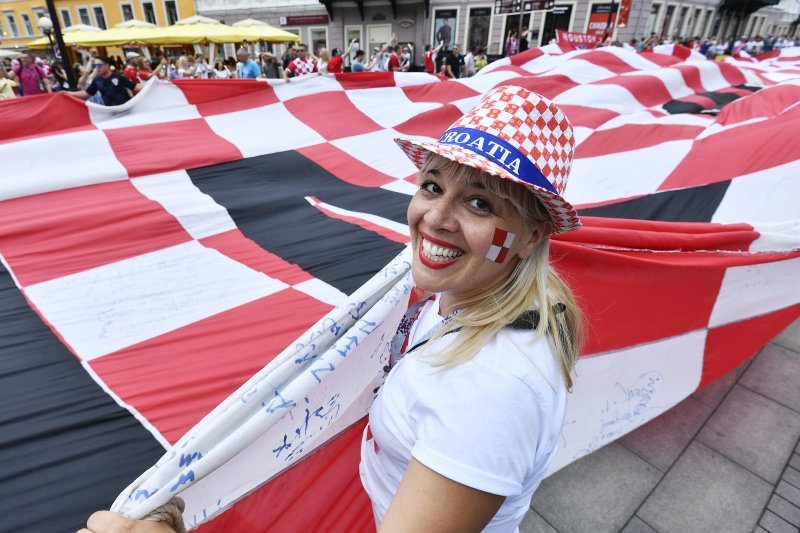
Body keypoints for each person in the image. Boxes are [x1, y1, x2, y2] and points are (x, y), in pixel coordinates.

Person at [79, 85, 582, 533]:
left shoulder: (491, 389)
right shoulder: (477, 296)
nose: (436, 219)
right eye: (432, 186)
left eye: (479, 204)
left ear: (531, 235)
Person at [68, 55, 142, 106]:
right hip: (111, 113)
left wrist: (152, 84)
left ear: (107, 66)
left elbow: (135, 87)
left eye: (99, 65)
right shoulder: (97, 81)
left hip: (126, 110)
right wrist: (67, 93)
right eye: (95, 66)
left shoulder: (119, 77)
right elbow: (86, 94)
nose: (97, 68)